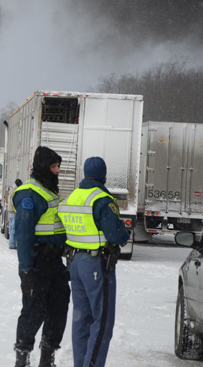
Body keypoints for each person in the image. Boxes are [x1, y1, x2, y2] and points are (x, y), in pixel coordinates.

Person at [57, 157, 129, 367]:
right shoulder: (102, 199)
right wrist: (123, 233)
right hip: (96, 265)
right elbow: (116, 236)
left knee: (81, 319)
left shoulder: (73, 197)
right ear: (103, 176)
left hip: (75, 264)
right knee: (102, 321)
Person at [13, 146, 70, 367]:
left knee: (58, 307)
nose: (57, 171)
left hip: (54, 264)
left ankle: (48, 358)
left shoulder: (49, 191)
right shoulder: (29, 194)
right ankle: (23, 357)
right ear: (43, 167)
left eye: (58, 166)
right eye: (54, 166)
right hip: (36, 264)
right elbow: (24, 235)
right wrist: (26, 270)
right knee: (33, 311)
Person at [7, 178, 23, 249]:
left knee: (11, 228)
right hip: (14, 211)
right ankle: (12, 244)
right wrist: (17, 209)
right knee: (14, 228)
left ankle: (11, 243)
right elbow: (13, 202)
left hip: (11, 211)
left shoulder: (11, 189)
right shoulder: (15, 191)